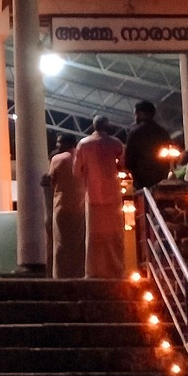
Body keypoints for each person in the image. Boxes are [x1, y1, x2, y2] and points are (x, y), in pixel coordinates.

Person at [72, 117, 128, 278]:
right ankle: (116, 268)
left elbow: (76, 171)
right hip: (113, 193)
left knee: (93, 235)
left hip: (93, 193)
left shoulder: (84, 144)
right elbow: (122, 163)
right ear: (107, 125)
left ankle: (93, 270)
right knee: (115, 234)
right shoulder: (115, 143)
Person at [47, 143, 87, 279]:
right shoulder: (82, 157)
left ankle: (60, 275)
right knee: (78, 244)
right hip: (80, 205)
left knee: (61, 243)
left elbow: (51, 180)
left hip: (61, 205)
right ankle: (79, 273)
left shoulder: (57, 159)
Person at [123, 100, 176, 191]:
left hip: (141, 180)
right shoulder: (162, 132)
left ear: (140, 113)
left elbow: (129, 160)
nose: (135, 117)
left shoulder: (135, 133)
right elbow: (169, 157)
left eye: (136, 113)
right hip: (161, 178)